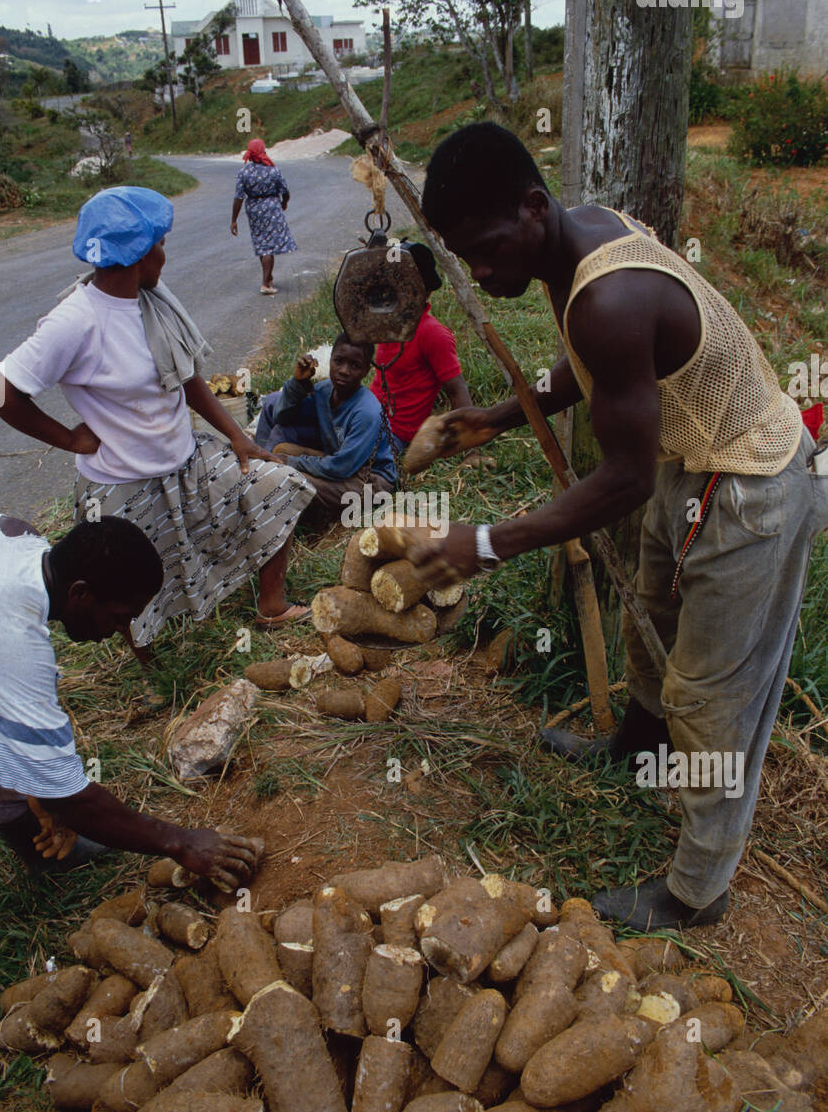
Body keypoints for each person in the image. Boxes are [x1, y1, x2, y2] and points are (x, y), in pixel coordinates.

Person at [412, 121, 828, 932]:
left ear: (534, 206)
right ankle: (639, 746)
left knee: (713, 699)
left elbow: (622, 476)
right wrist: (496, 416)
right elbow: (601, 363)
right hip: (689, 458)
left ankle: (697, 890)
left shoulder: (609, 294)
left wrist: (487, 542)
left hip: (752, 488)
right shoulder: (581, 241)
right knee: (651, 614)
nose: (484, 271)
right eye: (467, 259)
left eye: (489, 250)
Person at [0, 186, 315, 647]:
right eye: (161, 243)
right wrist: (68, 439)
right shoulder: (75, 321)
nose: (166, 252)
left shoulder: (150, 301)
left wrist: (236, 437)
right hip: (123, 483)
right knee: (126, 592)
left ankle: (272, 605)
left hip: (185, 461)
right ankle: (153, 666)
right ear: (142, 254)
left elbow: (185, 379)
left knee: (280, 485)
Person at [0, 511, 261, 885]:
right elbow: (71, 798)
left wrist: (38, 784)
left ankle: (32, 820)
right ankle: (41, 855)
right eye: (119, 617)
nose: (120, 630)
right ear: (80, 592)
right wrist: (181, 842)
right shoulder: (9, 645)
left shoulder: (19, 536)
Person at [256, 334, 397, 523]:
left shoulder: (367, 412)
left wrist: (290, 462)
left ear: (366, 371)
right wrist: (297, 382)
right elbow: (281, 417)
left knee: (288, 478)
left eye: (354, 365)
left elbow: (340, 468)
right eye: (338, 361)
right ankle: (258, 472)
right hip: (340, 461)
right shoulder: (325, 391)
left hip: (369, 479)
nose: (344, 371)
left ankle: (269, 499)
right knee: (274, 407)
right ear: (330, 360)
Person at [369, 239, 475, 452]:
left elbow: (456, 389)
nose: (396, 291)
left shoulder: (432, 333)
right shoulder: (390, 323)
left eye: (407, 285)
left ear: (425, 292)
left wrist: (472, 450)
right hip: (368, 415)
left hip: (394, 433)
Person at [230, 138, 296, 294]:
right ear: (263, 151)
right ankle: (266, 284)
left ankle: (269, 276)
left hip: (253, 209)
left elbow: (238, 197)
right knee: (268, 246)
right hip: (272, 207)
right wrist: (284, 203)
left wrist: (234, 220)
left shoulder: (244, 172)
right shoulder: (273, 170)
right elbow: (285, 191)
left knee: (261, 243)